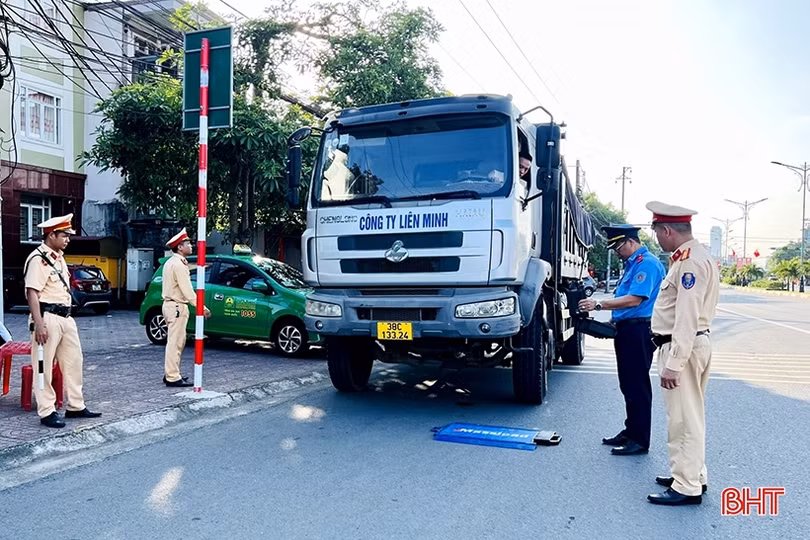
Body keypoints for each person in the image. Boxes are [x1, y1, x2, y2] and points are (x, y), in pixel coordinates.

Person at [645, 201, 719, 506]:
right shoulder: (697, 257)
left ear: (667, 231)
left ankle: (686, 486)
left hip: (682, 349)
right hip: (693, 346)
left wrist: (674, 363)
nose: (658, 241)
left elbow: (686, 317)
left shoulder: (688, 262)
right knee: (690, 416)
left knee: (683, 420)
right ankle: (690, 474)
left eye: (658, 234)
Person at [578, 224, 665, 455]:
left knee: (637, 385)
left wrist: (599, 304)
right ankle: (630, 431)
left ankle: (639, 439)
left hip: (639, 330)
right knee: (628, 384)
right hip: (628, 329)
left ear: (630, 242)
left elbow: (635, 299)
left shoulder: (646, 264)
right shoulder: (632, 264)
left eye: (617, 246)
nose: (616, 252)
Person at [24, 214, 101, 428]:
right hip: (47, 317)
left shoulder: (58, 257)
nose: (68, 239)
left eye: (69, 235)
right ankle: (46, 411)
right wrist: (39, 324)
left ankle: (76, 406)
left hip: (66, 317)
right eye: (64, 235)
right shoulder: (38, 258)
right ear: (51, 235)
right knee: (43, 366)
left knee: (74, 362)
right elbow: (32, 292)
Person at [162, 228, 210, 387]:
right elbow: (187, 290)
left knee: (174, 342)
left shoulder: (171, 262)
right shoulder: (179, 265)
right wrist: (201, 307)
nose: (191, 245)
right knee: (176, 343)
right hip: (177, 307)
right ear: (180, 247)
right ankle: (172, 377)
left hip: (170, 306)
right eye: (188, 243)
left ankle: (171, 372)